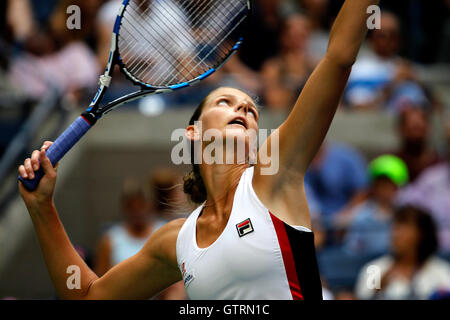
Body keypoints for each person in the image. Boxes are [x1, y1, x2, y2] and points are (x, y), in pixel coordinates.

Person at [18, 0, 378, 300]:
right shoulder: (176, 240)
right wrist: (42, 208)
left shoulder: (274, 177)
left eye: (251, 109)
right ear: (193, 132)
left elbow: (339, 57)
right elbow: (88, 297)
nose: (244, 109)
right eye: (226, 101)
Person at [355, 206, 450, 300]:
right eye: (395, 228)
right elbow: (362, 296)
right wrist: (378, 288)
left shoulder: (441, 271)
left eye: (404, 228)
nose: (396, 234)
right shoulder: (374, 269)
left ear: (422, 234)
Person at [338, 155, 409, 256]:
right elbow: (352, 250)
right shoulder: (360, 216)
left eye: (390, 186)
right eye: (382, 185)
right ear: (374, 186)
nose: (385, 190)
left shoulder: (407, 217)